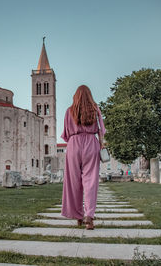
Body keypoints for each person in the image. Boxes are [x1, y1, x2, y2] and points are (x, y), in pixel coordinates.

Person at [60, 85, 106, 230]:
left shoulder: (69, 111)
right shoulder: (95, 110)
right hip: (91, 143)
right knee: (91, 181)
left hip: (73, 144)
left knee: (73, 182)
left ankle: (78, 215)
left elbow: (66, 134)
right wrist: (101, 145)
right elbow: (101, 131)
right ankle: (89, 217)